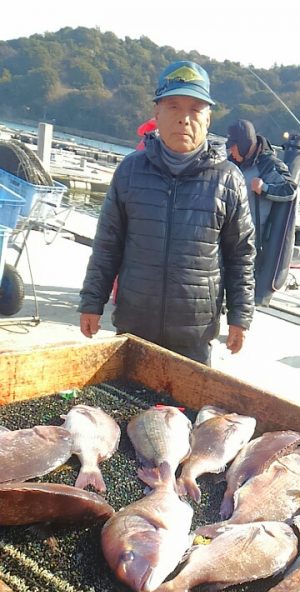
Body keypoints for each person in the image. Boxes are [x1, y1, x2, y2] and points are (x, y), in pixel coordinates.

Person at [78, 61, 256, 365]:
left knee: (186, 412)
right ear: (157, 114)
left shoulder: (228, 179)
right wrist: (92, 301)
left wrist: (240, 316)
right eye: (173, 106)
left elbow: (241, 254)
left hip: (194, 334)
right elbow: (107, 244)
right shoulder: (130, 170)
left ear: (208, 118)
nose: (184, 119)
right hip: (133, 325)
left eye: (195, 109)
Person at [226, 119, 297, 259]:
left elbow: (290, 189)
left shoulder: (268, 164)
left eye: (233, 146)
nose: (231, 150)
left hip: (249, 240)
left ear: (243, 144)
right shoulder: (231, 161)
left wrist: (264, 188)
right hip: (227, 233)